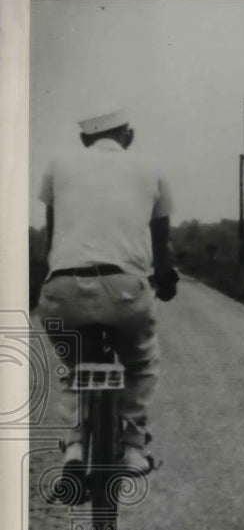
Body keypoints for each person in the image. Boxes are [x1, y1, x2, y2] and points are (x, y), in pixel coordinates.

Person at [37, 106, 178, 480]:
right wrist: (165, 281)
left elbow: (51, 242)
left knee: (72, 368)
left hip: (63, 289)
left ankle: (74, 446)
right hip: (125, 291)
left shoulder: (57, 165)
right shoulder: (151, 168)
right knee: (140, 362)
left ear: (84, 140)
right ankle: (133, 448)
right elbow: (161, 248)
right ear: (128, 136)